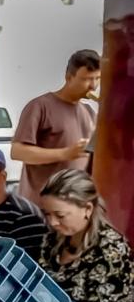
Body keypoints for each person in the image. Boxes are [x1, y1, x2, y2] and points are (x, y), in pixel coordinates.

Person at [38, 169, 134, 302]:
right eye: (47, 214)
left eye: (60, 215)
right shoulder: (51, 240)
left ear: (87, 209)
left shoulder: (110, 248)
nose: (52, 222)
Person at [11, 49, 101, 205]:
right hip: (40, 207)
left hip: (73, 209)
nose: (93, 86)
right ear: (68, 77)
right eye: (86, 79)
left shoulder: (89, 112)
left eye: (97, 78)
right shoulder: (40, 106)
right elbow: (17, 152)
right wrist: (65, 153)